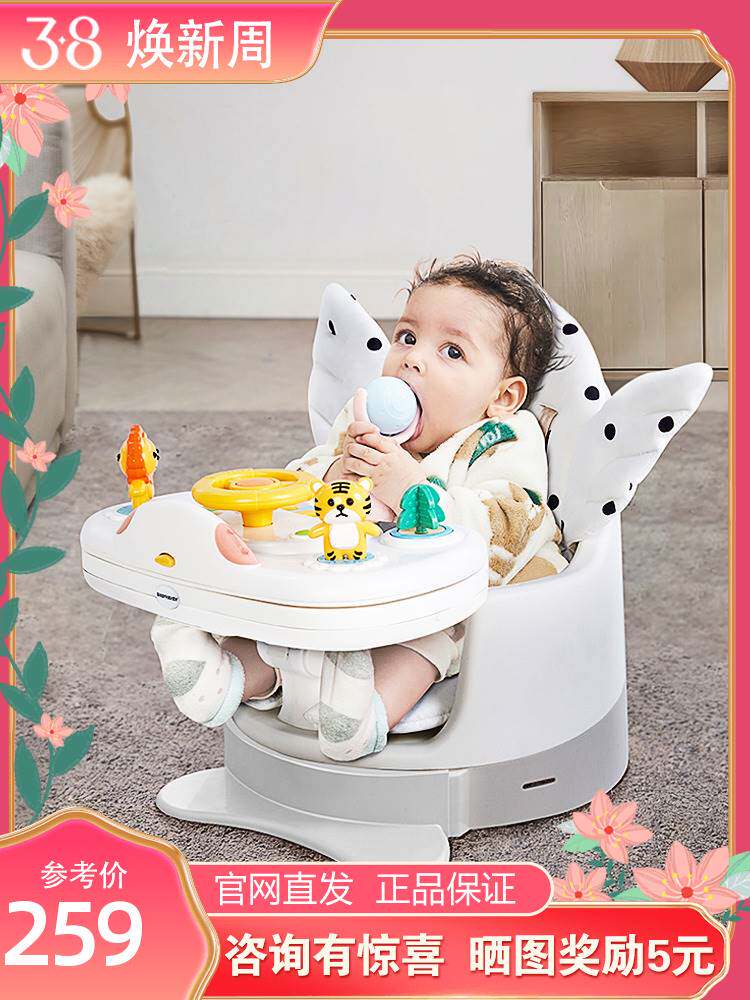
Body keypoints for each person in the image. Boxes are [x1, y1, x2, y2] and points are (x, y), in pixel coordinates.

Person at [151, 254, 567, 761]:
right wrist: (334, 475)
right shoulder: (363, 420)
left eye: (452, 351)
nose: (413, 360)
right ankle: (225, 675)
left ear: (502, 396)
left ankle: (365, 715)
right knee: (283, 610)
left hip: (436, 605)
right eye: (407, 337)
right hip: (345, 588)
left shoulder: (501, 437)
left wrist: (411, 487)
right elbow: (300, 481)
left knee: (432, 638)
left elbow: (508, 525)